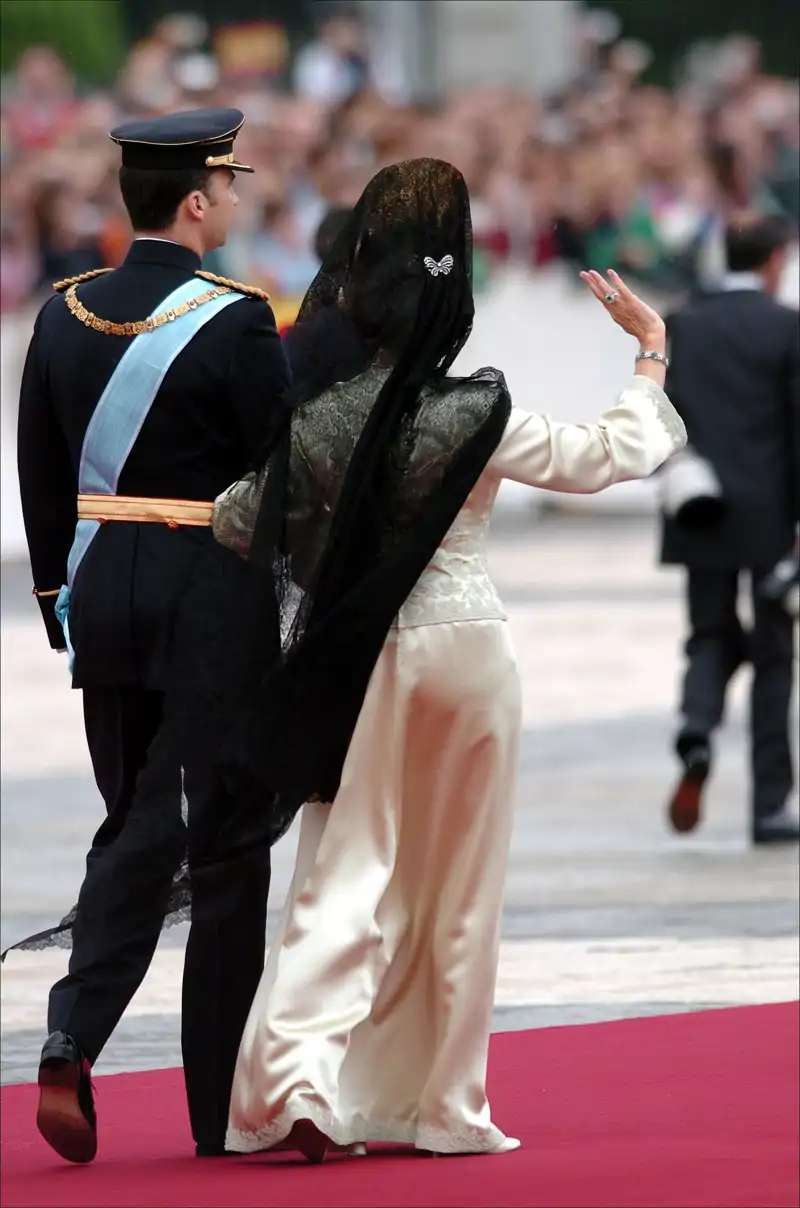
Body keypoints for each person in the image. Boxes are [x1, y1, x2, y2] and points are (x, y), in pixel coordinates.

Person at [179, 158, 685, 1161]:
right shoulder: (475, 411)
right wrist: (648, 354)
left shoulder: (323, 416)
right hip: (469, 647)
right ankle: (438, 1107)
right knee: (457, 891)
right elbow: (604, 455)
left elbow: (240, 519)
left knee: (343, 869)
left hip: (365, 655)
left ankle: (296, 1079)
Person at [13, 107, 293, 1163]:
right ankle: (216, 1106)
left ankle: (73, 1036)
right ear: (195, 198)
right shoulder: (233, 316)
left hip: (100, 594)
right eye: (228, 185)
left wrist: (57, 596)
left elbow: (39, 464)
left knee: (134, 813)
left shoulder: (64, 311)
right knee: (221, 848)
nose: (234, 200)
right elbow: (280, 472)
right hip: (205, 599)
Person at [660, 213, 799, 844]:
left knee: (709, 632)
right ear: (773, 261)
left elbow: (662, 414)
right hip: (770, 512)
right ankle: (770, 805)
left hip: (702, 503)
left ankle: (696, 729)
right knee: (774, 655)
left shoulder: (683, 324)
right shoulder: (785, 328)